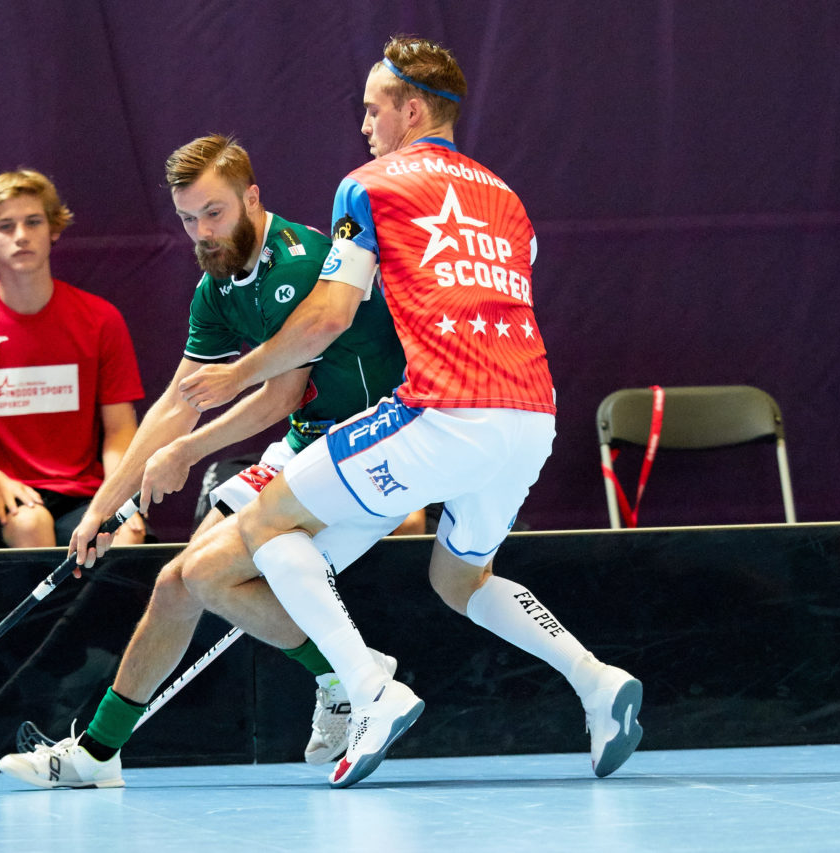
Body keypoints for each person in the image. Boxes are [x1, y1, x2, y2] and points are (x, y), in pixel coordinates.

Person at [177, 37, 644, 788]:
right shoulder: (508, 200)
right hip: (532, 416)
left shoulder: (368, 185)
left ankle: (370, 690)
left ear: (412, 110)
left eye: (373, 110)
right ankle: (597, 682)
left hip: (444, 409)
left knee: (265, 522)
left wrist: (241, 373)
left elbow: (329, 316)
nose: (365, 125)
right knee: (460, 578)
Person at [0, 134, 408, 789]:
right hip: (306, 442)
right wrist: (101, 509)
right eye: (188, 219)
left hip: (366, 441)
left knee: (203, 576)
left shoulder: (298, 265)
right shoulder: (217, 288)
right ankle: (97, 754)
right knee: (174, 585)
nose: (203, 232)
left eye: (214, 213)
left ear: (251, 197)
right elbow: (176, 402)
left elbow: (280, 392)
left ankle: (351, 673)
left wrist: (187, 451)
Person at [0, 170, 147, 549]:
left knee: (125, 537)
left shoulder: (100, 319)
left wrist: (119, 499)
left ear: (54, 229)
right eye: (6, 226)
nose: (21, 236)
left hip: (82, 494)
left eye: (33, 222)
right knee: (31, 524)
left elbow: (119, 430)